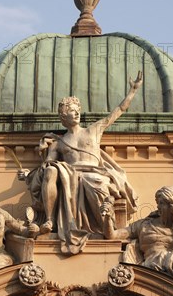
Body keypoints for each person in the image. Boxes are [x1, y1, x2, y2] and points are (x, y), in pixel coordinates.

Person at [18, 71, 143, 255]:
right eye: (70, 111)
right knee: (52, 171)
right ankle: (50, 220)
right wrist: (29, 175)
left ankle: (106, 227)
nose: (75, 113)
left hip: (94, 174)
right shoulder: (58, 143)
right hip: (69, 173)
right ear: (63, 116)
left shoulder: (93, 130)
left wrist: (132, 91)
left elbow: (117, 112)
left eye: (77, 110)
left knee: (97, 183)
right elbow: (46, 166)